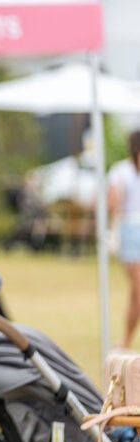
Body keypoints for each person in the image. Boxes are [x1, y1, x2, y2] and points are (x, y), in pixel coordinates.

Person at [108, 130, 140, 349]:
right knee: (138, 289)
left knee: (136, 294)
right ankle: (126, 339)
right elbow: (112, 204)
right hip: (130, 231)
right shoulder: (121, 171)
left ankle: (126, 340)